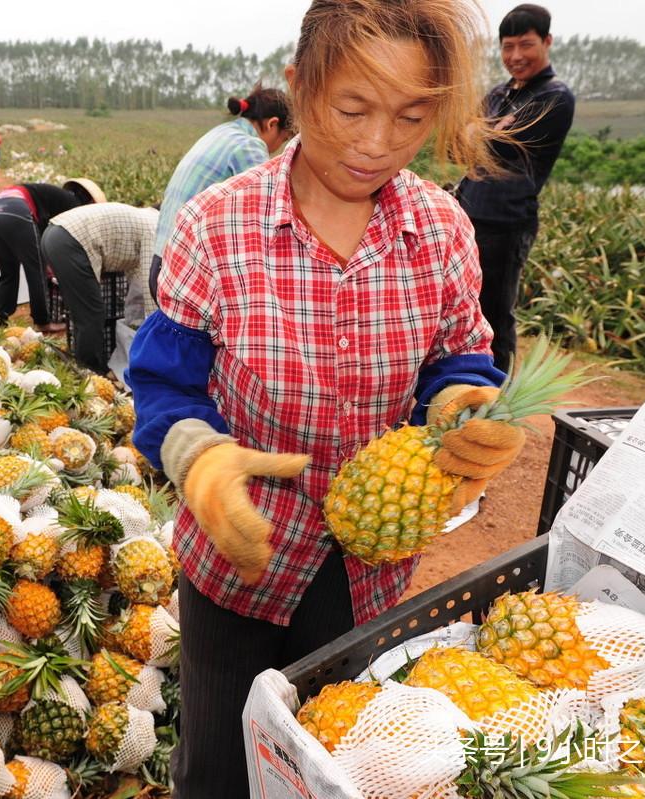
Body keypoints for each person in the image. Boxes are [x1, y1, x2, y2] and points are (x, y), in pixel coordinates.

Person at [126, 2, 531, 797]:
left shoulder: (441, 228)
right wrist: (197, 457)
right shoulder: (219, 227)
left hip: (368, 570)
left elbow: (461, 354)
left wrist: (465, 408)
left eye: (412, 118)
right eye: (352, 109)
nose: (378, 142)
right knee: (215, 764)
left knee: (332, 749)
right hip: (238, 564)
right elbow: (163, 382)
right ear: (299, 86)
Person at [455, 4, 575, 373]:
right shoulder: (500, 93)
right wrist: (481, 131)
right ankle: (458, 387)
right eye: (508, 47)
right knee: (459, 307)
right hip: (467, 211)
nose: (516, 56)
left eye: (526, 45)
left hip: (506, 223)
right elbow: (458, 143)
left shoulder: (554, 97)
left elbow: (500, 145)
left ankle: (493, 398)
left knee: (494, 312)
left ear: (547, 41)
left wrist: (479, 131)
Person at [129, 84, 292, 327]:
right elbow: (269, 206)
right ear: (272, 124)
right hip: (184, 271)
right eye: (285, 138)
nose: (280, 146)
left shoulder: (221, 133)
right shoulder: (249, 146)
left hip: (161, 260)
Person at [41, 203, 159, 372]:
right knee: (91, 314)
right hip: (69, 240)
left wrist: (138, 317)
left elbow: (138, 279)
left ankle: (83, 364)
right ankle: (90, 371)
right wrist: (157, 323)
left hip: (56, 234)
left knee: (83, 312)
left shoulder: (143, 219)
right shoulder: (154, 226)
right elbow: (150, 283)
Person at [0, 179, 105, 332]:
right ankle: (42, 322)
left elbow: (42, 233)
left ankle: (1, 316)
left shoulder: (53, 196)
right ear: (91, 202)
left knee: (8, 270)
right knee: (36, 270)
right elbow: (66, 236)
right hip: (16, 213)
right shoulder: (73, 205)